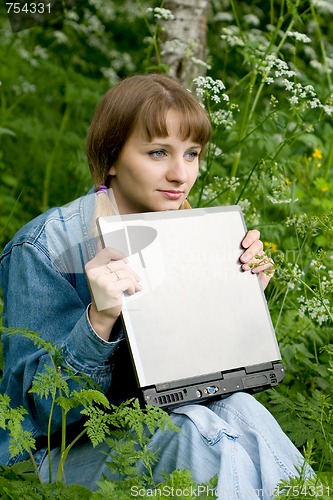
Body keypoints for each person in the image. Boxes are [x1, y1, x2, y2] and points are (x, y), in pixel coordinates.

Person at [0, 74, 310, 498]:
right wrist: (100, 319)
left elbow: (202, 383)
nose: (180, 174)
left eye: (192, 154)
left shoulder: (191, 233)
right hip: (60, 450)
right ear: (111, 158)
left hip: (159, 420)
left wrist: (241, 299)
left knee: (240, 411)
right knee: (198, 436)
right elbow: (39, 412)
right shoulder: (44, 247)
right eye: (158, 152)